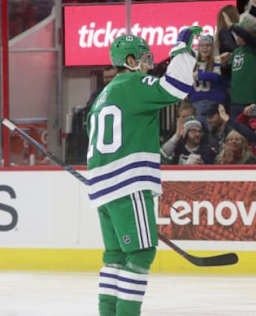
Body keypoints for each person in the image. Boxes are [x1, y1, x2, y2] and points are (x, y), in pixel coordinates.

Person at [86, 27, 202, 316]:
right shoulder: (132, 84)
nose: (149, 65)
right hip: (128, 182)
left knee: (115, 257)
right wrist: (182, 50)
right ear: (128, 60)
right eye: (144, 58)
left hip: (103, 186)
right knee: (140, 253)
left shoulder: (103, 96)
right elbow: (177, 87)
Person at [65, 66, 117, 164]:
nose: (108, 80)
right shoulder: (98, 94)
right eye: (106, 77)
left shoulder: (124, 93)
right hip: (101, 141)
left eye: (111, 77)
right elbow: (89, 111)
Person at [191, 34, 226, 124]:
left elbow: (216, 77)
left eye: (208, 45)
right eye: (202, 45)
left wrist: (198, 75)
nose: (204, 48)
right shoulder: (193, 63)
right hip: (196, 102)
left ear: (212, 48)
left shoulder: (217, 61)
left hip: (213, 102)